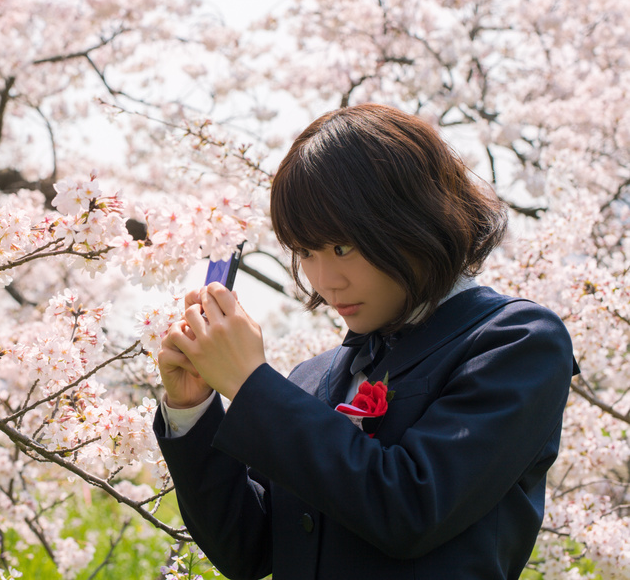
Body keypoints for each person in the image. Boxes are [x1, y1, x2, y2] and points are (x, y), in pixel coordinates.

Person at [155, 104, 577, 580]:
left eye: (341, 247)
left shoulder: (516, 341)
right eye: (306, 252)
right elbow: (248, 551)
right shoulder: (311, 377)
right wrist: (191, 408)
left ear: (415, 218)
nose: (325, 280)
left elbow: (413, 509)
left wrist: (252, 386)